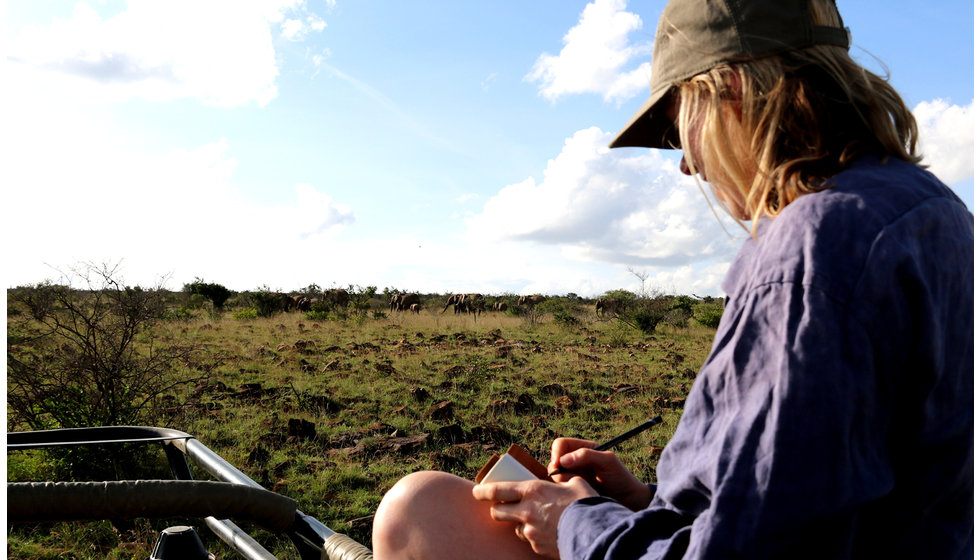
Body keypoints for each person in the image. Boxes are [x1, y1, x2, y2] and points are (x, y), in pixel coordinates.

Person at [371, 0, 974, 558]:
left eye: (680, 121)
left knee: (419, 509)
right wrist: (646, 502)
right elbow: (812, 496)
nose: (687, 162)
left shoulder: (813, 248)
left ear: (730, 92)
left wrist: (575, 524)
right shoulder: (939, 214)